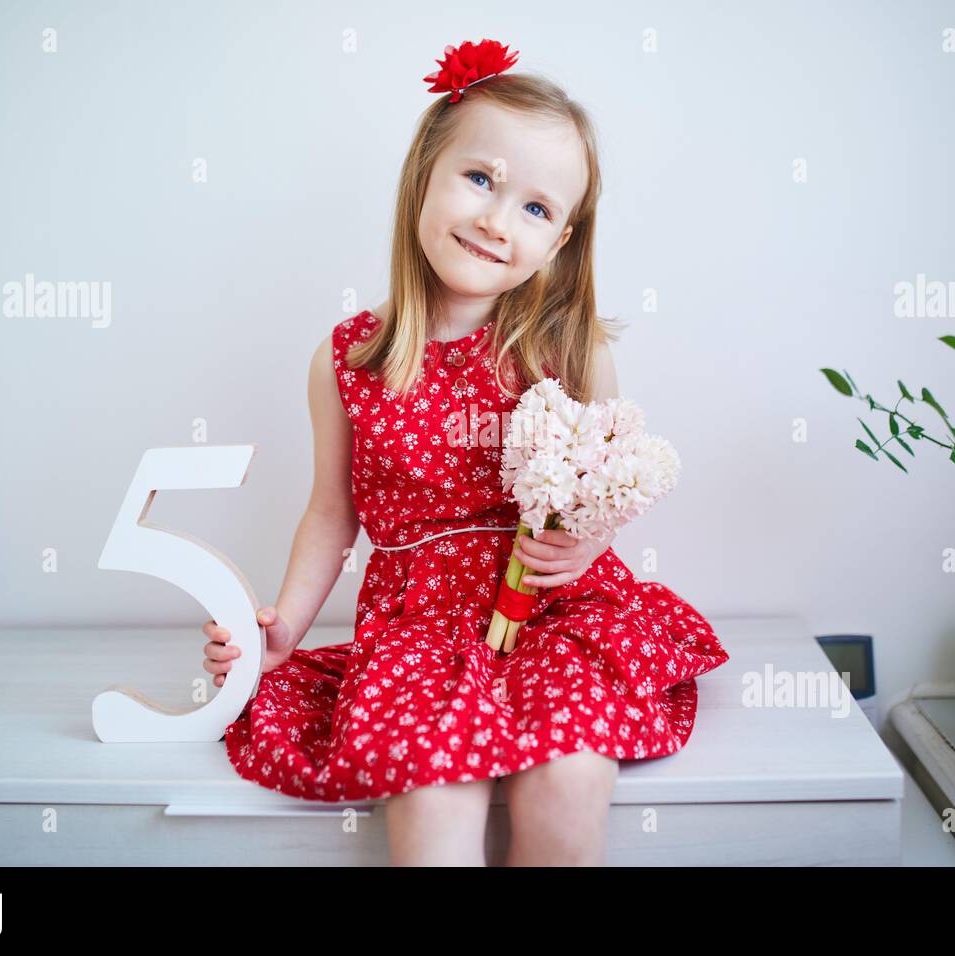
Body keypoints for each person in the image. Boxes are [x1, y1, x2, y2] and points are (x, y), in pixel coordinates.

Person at [207, 39, 729, 866]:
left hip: (559, 618)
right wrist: (283, 630)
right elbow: (331, 515)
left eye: (535, 207)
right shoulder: (348, 360)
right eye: (480, 179)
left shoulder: (571, 350)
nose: (496, 219)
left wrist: (587, 541)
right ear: (423, 174)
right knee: (431, 798)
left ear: (560, 241)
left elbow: (602, 492)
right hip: (417, 632)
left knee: (567, 779)